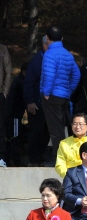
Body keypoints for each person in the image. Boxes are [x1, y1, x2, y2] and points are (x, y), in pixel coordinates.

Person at [40, 25, 81, 161]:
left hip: (52, 95)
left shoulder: (49, 54)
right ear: (62, 38)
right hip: (64, 96)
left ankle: (59, 159)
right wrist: (68, 90)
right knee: (66, 127)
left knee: (55, 130)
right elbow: (76, 74)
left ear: (47, 38)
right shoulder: (67, 54)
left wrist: (46, 92)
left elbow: (49, 75)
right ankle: (68, 156)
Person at [24, 34, 50, 167]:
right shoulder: (36, 61)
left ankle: (40, 158)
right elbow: (28, 82)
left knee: (46, 132)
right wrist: (30, 101)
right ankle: (33, 159)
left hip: (49, 104)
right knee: (36, 131)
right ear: (45, 45)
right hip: (37, 104)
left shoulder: (52, 59)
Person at [5, 61, 27, 166]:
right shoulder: (21, 83)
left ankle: (7, 159)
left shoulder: (17, 81)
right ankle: (16, 161)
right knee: (14, 138)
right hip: (14, 115)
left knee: (10, 138)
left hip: (11, 114)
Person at [0, 39, 11, 167]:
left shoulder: (2, 49)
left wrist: (5, 91)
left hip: (0, 94)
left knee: (0, 126)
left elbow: (8, 71)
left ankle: (1, 156)